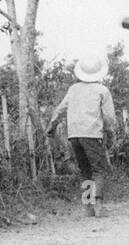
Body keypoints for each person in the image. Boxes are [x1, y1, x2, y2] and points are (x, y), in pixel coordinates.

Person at [46, 56, 117, 217]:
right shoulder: (102, 90)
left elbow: (60, 109)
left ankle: (87, 207)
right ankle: (99, 206)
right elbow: (108, 118)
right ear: (99, 73)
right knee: (99, 169)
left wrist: (52, 125)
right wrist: (110, 133)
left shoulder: (73, 89)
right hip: (92, 134)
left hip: (74, 135)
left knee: (85, 170)